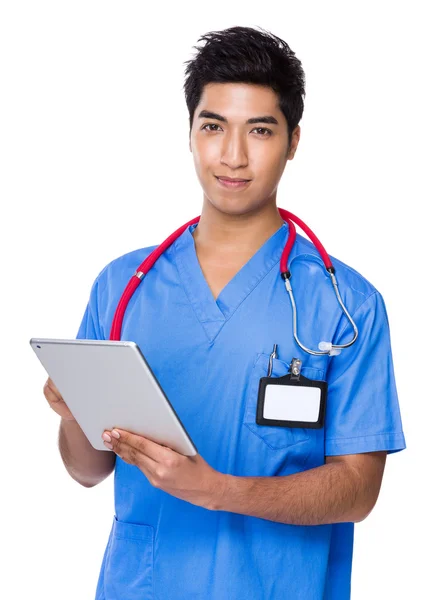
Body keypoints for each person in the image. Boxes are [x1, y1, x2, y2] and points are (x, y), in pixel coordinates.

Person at [43, 25, 406, 600]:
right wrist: (71, 414)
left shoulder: (346, 304)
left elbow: (358, 491)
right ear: (190, 134)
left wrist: (218, 490)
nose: (232, 156)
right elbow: (88, 470)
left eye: (260, 131)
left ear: (292, 141)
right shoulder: (122, 287)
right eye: (213, 127)